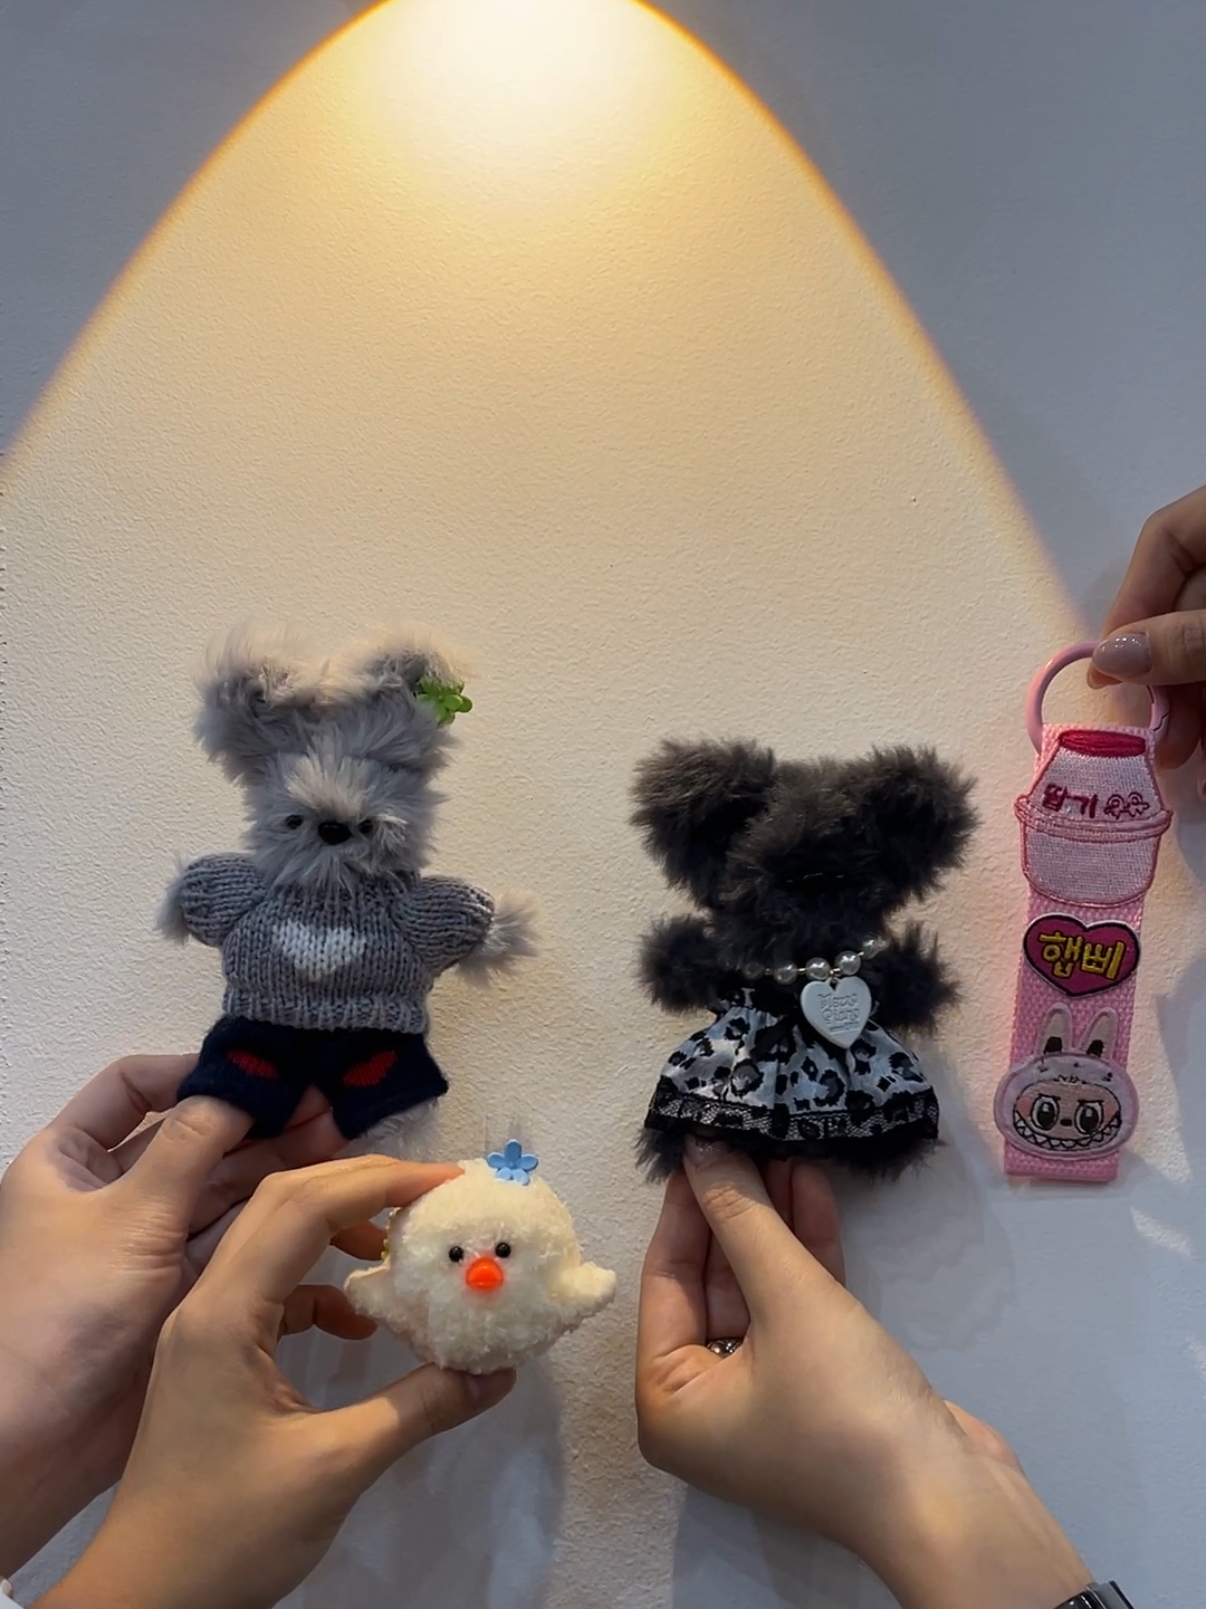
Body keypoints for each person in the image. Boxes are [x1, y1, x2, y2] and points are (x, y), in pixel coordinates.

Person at [9, 483, 1197, 1607]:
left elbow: (510, 923)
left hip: (432, 1073)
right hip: (275, 1060)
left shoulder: (443, 910)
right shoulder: (265, 894)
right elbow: (222, 898)